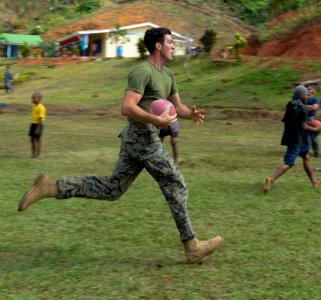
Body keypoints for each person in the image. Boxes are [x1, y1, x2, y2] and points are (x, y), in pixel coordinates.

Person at [18, 27, 222, 264]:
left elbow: (178, 107)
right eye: (169, 42)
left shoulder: (168, 75)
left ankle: (51, 188)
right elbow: (127, 107)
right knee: (176, 184)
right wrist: (157, 120)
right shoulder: (141, 72)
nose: (173, 45)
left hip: (137, 140)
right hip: (142, 139)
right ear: (158, 45)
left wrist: (191, 114)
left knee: (113, 189)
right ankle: (192, 246)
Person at [263, 85, 321, 194]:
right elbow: (305, 127)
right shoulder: (303, 109)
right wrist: (317, 129)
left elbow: (286, 120)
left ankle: (314, 181)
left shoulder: (290, 104)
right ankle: (271, 179)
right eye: (306, 94)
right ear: (301, 96)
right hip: (296, 140)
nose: (308, 96)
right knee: (289, 162)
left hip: (292, 136)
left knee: (306, 157)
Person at [29, 92, 46, 159]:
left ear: (39, 99)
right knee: (32, 139)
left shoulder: (41, 107)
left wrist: (38, 128)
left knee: (37, 140)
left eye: (35, 97)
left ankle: (37, 156)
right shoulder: (34, 106)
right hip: (33, 124)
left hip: (38, 124)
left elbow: (40, 118)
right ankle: (33, 154)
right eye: (33, 97)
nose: (33, 99)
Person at [305, 85, 320, 157]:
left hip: (311, 118)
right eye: (307, 89)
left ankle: (316, 151)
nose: (308, 90)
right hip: (303, 118)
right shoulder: (303, 98)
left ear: (312, 90)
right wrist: (310, 106)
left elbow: (315, 108)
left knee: (312, 136)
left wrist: (305, 107)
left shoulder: (315, 99)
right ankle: (305, 151)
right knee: (305, 137)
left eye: (309, 89)